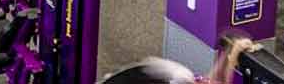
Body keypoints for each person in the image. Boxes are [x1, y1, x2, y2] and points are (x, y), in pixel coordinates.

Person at [96, 31, 262, 84]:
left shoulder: (179, 75)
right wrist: (232, 55)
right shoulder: (181, 76)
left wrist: (230, 52)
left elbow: (215, 81)